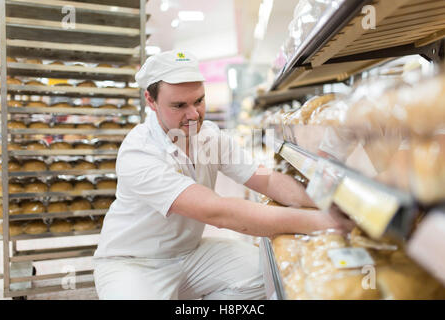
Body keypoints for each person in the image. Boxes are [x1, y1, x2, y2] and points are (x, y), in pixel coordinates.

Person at [93, 50, 355, 300]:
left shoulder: (209, 136)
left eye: (199, 100)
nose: (194, 115)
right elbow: (218, 212)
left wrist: (328, 200)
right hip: (134, 263)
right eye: (179, 105)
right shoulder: (140, 151)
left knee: (265, 274)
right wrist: (324, 222)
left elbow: (266, 179)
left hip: (190, 255)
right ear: (151, 101)